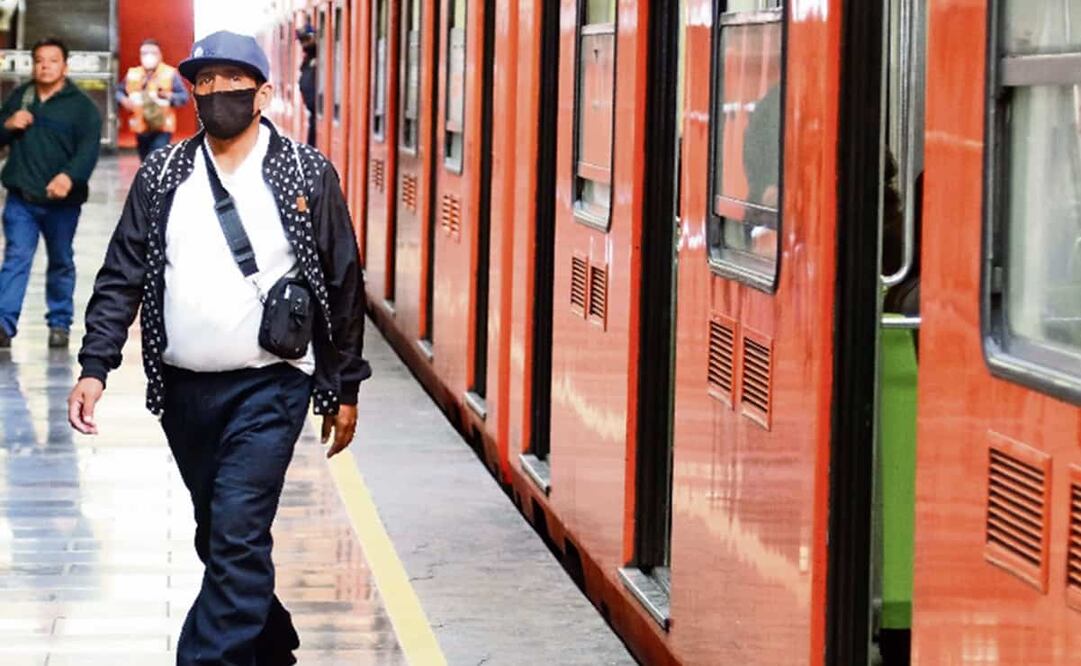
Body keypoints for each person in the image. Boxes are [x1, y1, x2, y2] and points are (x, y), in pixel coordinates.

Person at [68, 31, 370, 665]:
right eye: (202, 82)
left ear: (261, 92)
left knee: (235, 533)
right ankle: (271, 644)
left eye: (230, 80)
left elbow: (342, 281)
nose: (214, 93)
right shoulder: (165, 174)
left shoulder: (304, 173)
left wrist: (345, 385)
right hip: (183, 393)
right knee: (221, 534)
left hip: (273, 385)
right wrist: (95, 366)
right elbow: (122, 273)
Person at [0, 37, 102, 350]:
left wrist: (69, 177)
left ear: (65, 66)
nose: (45, 66)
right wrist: (8, 125)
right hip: (22, 199)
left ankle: (59, 323)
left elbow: (88, 149)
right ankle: (3, 326)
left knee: (60, 261)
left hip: (62, 204)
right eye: (40, 60)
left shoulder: (82, 107)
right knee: (16, 258)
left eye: (52, 60)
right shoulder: (21, 96)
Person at [117, 38, 190, 161]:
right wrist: (124, 100)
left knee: (157, 159)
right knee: (145, 161)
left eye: (153, 53)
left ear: (160, 55)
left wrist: (169, 96)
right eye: (144, 53)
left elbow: (184, 97)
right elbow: (118, 91)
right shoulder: (133, 74)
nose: (148, 56)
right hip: (141, 126)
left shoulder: (170, 73)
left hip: (162, 127)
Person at [296, 24, 317, 146]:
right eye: (302, 41)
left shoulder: (320, 57)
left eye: (307, 39)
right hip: (313, 114)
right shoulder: (307, 60)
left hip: (317, 112)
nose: (304, 44)